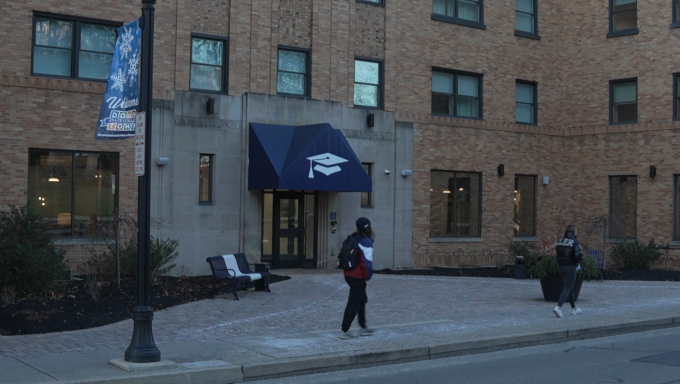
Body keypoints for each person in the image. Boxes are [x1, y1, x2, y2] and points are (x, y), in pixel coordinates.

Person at [339, 217, 375, 339]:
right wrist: (367, 278)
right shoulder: (365, 241)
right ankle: (344, 330)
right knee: (353, 302)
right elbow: (367, 263)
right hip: (358, 276)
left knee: (361, 299)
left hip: (348, 274)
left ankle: (363, 326)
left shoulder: (354, 237)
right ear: (369, 227)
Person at [553, 224, 584, 318]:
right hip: (570, 267)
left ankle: (574, 308)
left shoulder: (560, 241)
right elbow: (579, 255)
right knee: (567, 288)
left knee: (570, 287)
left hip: (561, 266)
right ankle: (558, 307)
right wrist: (578, 262)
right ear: (574, 232)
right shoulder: (575, 242)